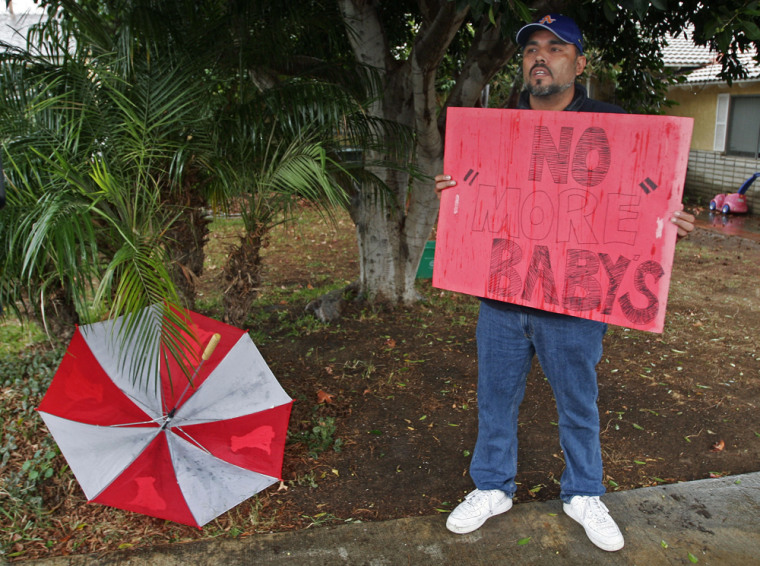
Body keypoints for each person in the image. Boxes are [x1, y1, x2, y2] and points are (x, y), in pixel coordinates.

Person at [434, 14, 695, 552]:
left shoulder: (614, 123)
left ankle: (583, 493)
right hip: (503, 294)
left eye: (556, 48)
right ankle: (491, 486)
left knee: (579, 401)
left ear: (579, 63)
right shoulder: (496, 126)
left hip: (577, 297)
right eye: (532, 48)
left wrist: (668, 221)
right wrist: (456, 190)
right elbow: (477, 193)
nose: (540, 57)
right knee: (494, 399)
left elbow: (639, 196)